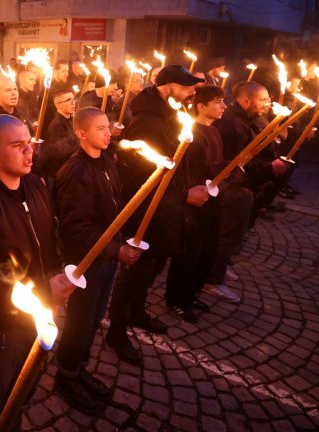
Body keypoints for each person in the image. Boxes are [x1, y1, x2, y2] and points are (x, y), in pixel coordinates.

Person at [0, 114, 72, 429]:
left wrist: (55, 278)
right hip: (4, 328)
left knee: (27, 383)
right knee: (4, 397)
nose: (29, 151)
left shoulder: (34, 184)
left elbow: (48, 238)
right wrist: (44, 291)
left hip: (38, 313)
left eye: (29, 143)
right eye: (17, 145)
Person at [108, 65, 206, 365]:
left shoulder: (171, 113)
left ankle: (137, 312)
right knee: (137, 271)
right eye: (186, 86)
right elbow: (140, 171)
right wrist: (182, 194)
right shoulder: (147, 121)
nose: (192, 92)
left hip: (167, 208)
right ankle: (116, 330)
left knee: (154, 265)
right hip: (148, 210)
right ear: (167, 87)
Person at [53, 107, 142, 413]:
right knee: (80, 321)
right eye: (100, 128)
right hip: (85, 262)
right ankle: (66, 376)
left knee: (94, 318)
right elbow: (76, 229)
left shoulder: (105, 160)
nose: (109, 132)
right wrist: (116, 250)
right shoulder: (76, 173)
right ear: (81, 133)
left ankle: (79, 368)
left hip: (104, 257)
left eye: (108, 126)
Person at [205, 81, 287, 302]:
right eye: (263, 100)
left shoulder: (250, 119)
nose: (268, 104)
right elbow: (237, 164)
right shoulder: (231, 125)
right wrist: (269, 169)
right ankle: (212, 279)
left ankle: (219, 268)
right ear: (245, 100)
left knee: (233, 235)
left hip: (246, 186)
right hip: (234, 188)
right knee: (227, 235)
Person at [165, 85, 226, 321]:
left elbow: (217, 164)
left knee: (207, 250)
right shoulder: (191, 133)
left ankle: (191, 294)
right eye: (218, 101)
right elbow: (192, 168)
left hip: (211, 198)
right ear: (201, 106)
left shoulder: (215, 132)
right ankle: (176, 298)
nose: (223, 106)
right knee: (188, 253)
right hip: (194, 200)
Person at [38, 89, 77, 182]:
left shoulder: (69, 120)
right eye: (68, 100)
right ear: (58, 105)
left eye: (73, 99)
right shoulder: (57, 125)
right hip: (61, 174)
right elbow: (62, 152)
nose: (73, 103)